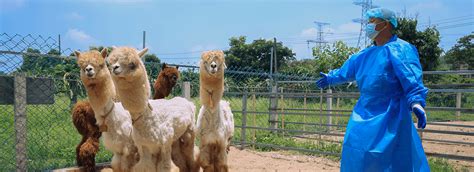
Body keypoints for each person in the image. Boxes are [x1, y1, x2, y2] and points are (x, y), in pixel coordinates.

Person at [316, 8, 429, 171]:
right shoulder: (364, 55)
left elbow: (410, 77)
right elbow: (345, 72)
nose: (368, 26)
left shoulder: (401, 49)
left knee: (392, 156)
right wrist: (330, 78)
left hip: (391, 114)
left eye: (373, 21)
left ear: (386, 24)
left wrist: (416, 102)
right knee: (357, 152)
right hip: (363, 113)